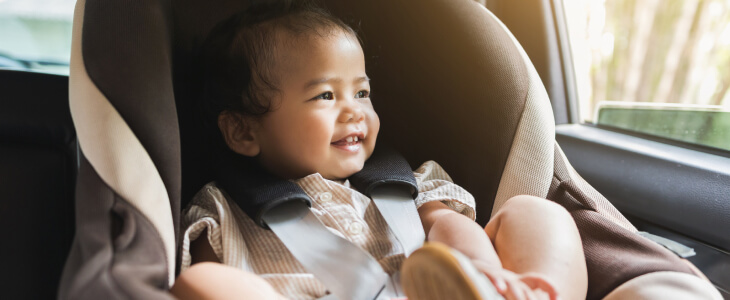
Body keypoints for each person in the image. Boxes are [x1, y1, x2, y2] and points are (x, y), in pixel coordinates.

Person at [170, 2, 588, 300]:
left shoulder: (404, 182)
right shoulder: (221, 211)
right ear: (243, 131)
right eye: (325, 95)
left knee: (536, 212)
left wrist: (482, 271)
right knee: (201, 282)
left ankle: (530, 291)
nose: (355, 110)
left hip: (436, 287)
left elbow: (447, 225)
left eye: (362, 91)